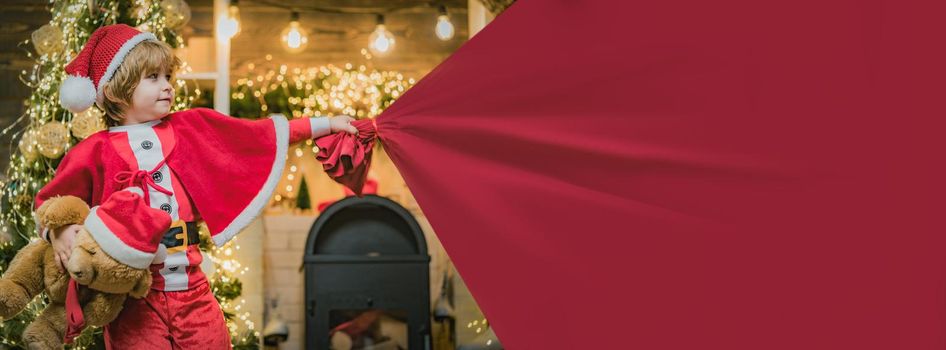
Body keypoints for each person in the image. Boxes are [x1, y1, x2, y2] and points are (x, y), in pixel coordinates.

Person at [36, 23, 358, 348]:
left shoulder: (191, 127)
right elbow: (51, 202)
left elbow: (257, 135)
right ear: (115, 89)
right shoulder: (93, 151)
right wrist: (59, 231)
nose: (167, 86)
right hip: (134, 297)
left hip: (193, 287)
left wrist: (326, 124)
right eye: (153, 77)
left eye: (168, 77)